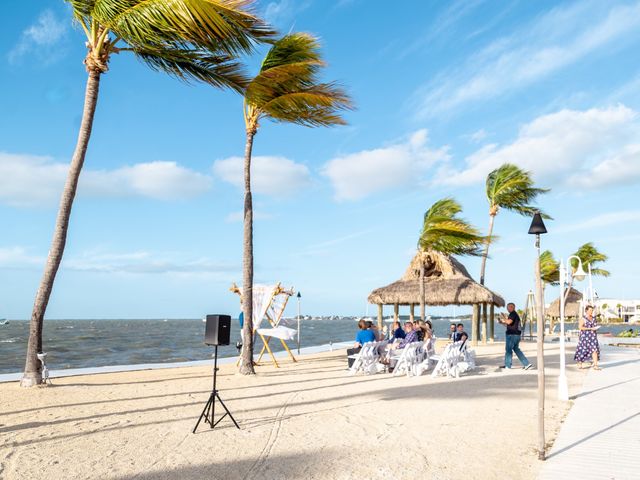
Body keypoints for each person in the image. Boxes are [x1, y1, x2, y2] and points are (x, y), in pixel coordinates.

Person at [498, 303, 533, 370]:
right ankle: (527, 364)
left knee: (508, 350)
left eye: (508, 307)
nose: (507, 309)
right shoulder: (514, 315)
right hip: (516, 335)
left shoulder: (513, 314)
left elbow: (508, 322)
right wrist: (502, 322)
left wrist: (503, 317)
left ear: (512, 307)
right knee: (516, 349)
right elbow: (509, 325)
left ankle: (508, 366)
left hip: (512, 335)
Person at [574, 305, 601, 370]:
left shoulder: (594, 318)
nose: (591, 311)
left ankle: (595, 365)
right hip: (585, 336)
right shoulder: (583, 318)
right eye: (590, 310)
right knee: (583, 350)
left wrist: (595, 328)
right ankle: (580, 363)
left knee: (595, 350)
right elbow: (580, 327)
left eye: (592, 310)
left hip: (593, 337)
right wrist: (590, 328)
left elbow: (594, 326)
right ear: (586, 311)